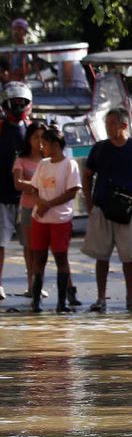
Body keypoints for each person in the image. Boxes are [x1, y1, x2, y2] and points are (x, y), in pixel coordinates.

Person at [25, 125, 81, 313]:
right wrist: (40, 202)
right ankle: (36, 300)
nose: (42, 148)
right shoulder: (43, 164)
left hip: (60, 218)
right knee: (38, 257)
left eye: (45, 144)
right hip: (40, 218)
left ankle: (62, 301)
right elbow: (34, 188)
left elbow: (72, 192)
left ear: (56, 145)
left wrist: (48, 204)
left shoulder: (69, 165)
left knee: (60, 258)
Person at [0, 82, 32, 299]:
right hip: (1, 195)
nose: (18, 106)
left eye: (22, 102)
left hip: (27, 197)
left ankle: (33, 284)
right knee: (0, 243)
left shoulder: (32, 129)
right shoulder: (1, 128)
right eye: (14, 102)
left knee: (30, 245)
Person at [13, 122, 43, 301]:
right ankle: (31, 284)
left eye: (42, 137)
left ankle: (39, 284)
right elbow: (18, 183)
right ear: (29, 139)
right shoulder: (21, 160)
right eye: (35, 137)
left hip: (47, 209)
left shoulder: (49, 158)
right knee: (29, 248)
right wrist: (37, 187)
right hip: (27, 208)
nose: (39, 141)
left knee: (43, 250)